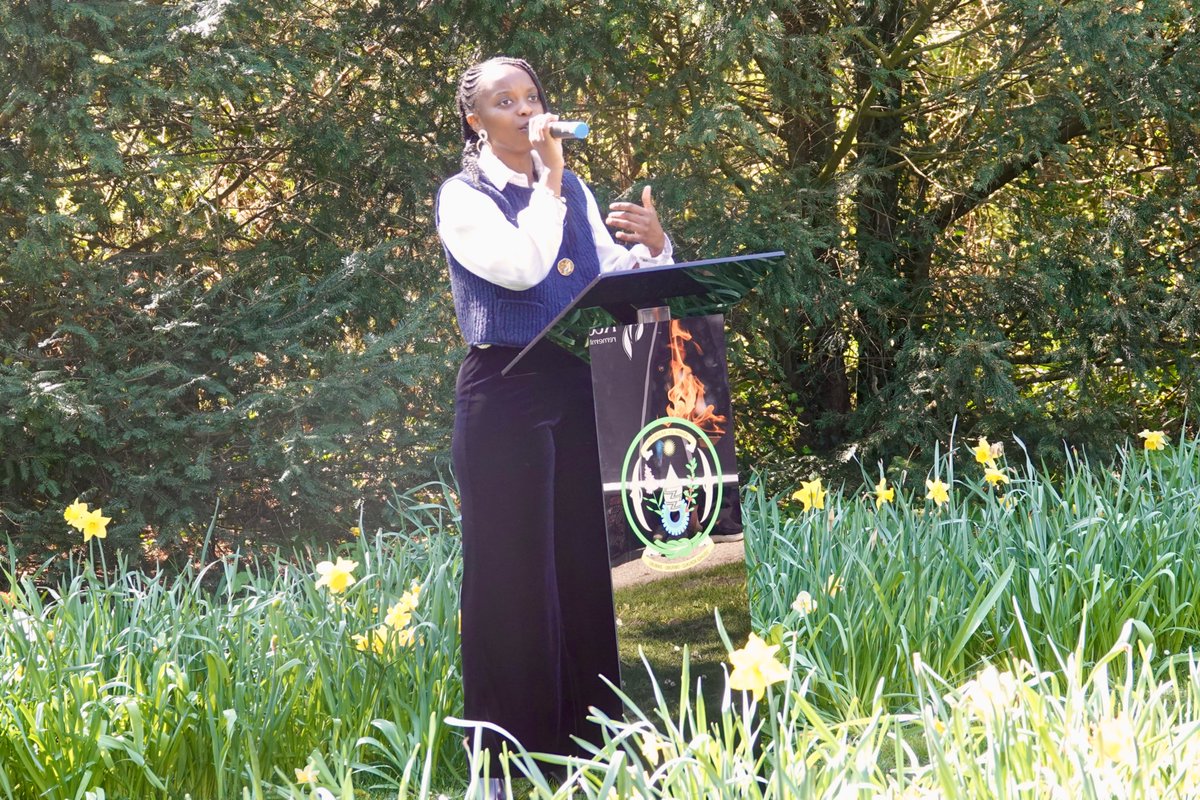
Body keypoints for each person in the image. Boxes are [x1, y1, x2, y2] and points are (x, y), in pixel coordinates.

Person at [435, 56, 674, 779]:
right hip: (503, 391)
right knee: (510, 580)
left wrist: (656, 250)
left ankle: (593, 750)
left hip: (577, 385)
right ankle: (502, 766)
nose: (523, 109)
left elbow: (608, 277)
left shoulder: (573, 189)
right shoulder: (462, 196)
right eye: (503, 102)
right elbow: (523, 268)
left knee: (587, 570)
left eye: (530, 96)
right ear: (475, 121)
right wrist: (548, 180)